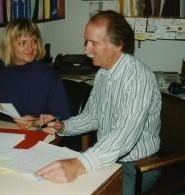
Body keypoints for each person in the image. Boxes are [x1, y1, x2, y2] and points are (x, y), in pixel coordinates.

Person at [35, 10, 162, 195]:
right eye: (86, 41)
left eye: (94, 43)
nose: (86, 50)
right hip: (109, 159)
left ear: (118, 45)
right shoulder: (104, 72)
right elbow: (92, 117)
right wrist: (63, 126)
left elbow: (123, 136)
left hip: (137, 169)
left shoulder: (138, 78)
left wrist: (79, 165)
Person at [0, 18, 70, 129]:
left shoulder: (49, 75)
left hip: (38, 133)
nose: (30, 48)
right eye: (23, 43)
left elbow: (63, 119)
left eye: (34, 41)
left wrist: (35, 122)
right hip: (6, 133)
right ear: (9, 45)